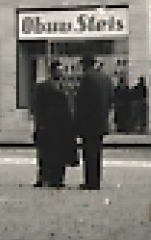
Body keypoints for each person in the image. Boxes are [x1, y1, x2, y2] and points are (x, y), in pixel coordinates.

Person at [32, 63, 77, 188]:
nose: (61, 74)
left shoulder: (66, 87)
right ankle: (43, 177)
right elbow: (38, 107)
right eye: (59, 71)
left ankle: (58, 178)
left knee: (60, 154)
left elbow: (70, 106)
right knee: (45, 153)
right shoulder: (42, 87)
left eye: (62, 71)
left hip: (62, 126)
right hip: (48, 125)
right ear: (52, 72)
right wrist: (39, 124)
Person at [75, 57, 114, 191]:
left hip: (89, 122)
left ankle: (90, 181)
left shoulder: (87, 78)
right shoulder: (105, 78)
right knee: (97, 152)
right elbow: (110, 99)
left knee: (89, 153)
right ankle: (96, 180)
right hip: (101, 121)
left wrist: (77, 122)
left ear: (85, 65)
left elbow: (82, 102)